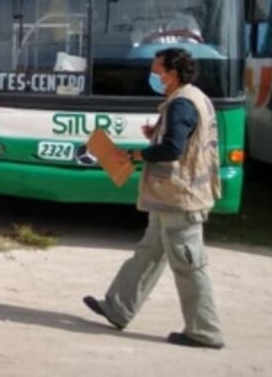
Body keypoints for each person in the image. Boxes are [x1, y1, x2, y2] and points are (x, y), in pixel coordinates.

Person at [83, 48, 225, 349]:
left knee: (189, 266)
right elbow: (182, 141)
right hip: (169, 198)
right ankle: (117, 307)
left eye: (156, 70)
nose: (153, 76)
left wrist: (136, 154)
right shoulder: (189, 97)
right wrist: (154, 135)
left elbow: (173, 149)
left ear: (172, 74)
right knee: (147, 254)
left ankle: (204, 331)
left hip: (181, 199)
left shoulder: (182, 104)